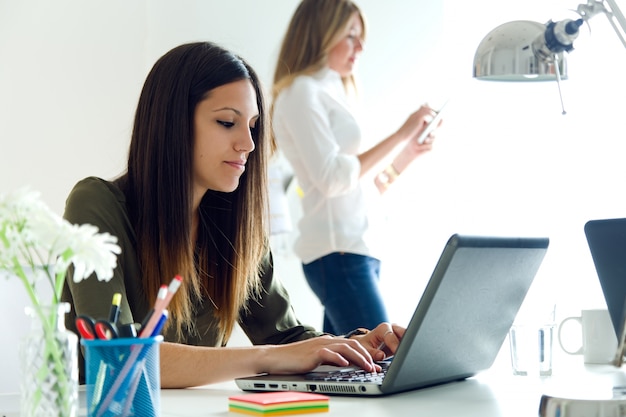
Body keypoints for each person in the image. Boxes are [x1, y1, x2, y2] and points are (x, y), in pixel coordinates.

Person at [61, 41, 404, 389]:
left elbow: (286, 339)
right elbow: (119, 359)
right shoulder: (95, 206)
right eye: (227, 122)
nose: (249, 144)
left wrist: (354, 346)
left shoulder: (232, 225)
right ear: (172, 123)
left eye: (253, 126)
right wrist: (265, 358)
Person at [271, 0, 442, 335]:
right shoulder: (300, 93)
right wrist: (402, 132)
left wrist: (406, 154)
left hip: (357, 251)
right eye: (350, 35)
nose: (360, 46)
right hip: (339, 255)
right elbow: (333, 179)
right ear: (321, 34)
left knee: (345, 372)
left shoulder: (335, 89)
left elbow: (358, 187)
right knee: (384, 361)